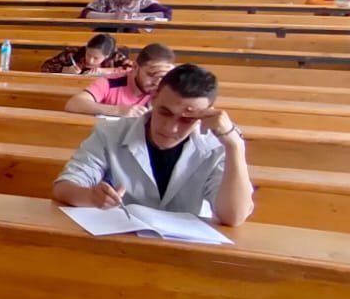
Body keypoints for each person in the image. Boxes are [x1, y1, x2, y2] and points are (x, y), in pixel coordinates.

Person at [53, 64, 254, 226]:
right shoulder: (110, 133)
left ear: (207, 113)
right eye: (165, 113)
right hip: (120, 240)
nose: (171, 128)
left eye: (187, 119)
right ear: (154, 98)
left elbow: (233, 217)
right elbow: (63, 187)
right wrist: (90, 196)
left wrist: (235, 145)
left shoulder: (216, 146)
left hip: (185, 249)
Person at [63, 43, 175, 117]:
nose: (157, 82)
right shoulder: (111, 82)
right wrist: (120, 110)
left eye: (162, 76)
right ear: (135, 67)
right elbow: (74, 104)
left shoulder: (167, 86)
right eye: (151, 74)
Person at [39, 33, 131, 75]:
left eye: (96, 58)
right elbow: (46, 66)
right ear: (86, 48)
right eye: (88, 54)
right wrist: (64, 70)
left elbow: (132, 70)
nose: (90, 60)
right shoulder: (73, 53)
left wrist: (104, 71)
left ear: (106, 56)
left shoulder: (115, 56)